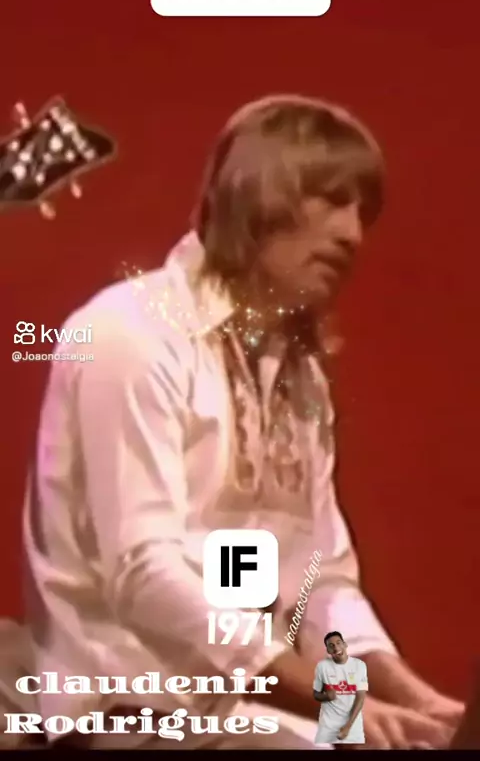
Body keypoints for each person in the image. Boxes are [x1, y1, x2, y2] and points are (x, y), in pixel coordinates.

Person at [23, 94, 464, 749]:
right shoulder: (130, 332)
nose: (353, 234)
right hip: (129, 713)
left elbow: (319, 580)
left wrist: (415, 702)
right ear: (258, 196)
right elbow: (145, 574)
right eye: (332, 200)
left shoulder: (299, 380)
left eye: (363, 212)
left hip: (248, 711)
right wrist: (336, 701)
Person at [313, 632, 367, 749]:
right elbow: (316, 694)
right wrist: (326, 697)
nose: (336, 648)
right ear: (328, 650)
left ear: (345, 644)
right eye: (331, 646)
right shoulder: (322, 668)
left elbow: (361, 697)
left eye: (338, 643)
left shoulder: (359, 665)